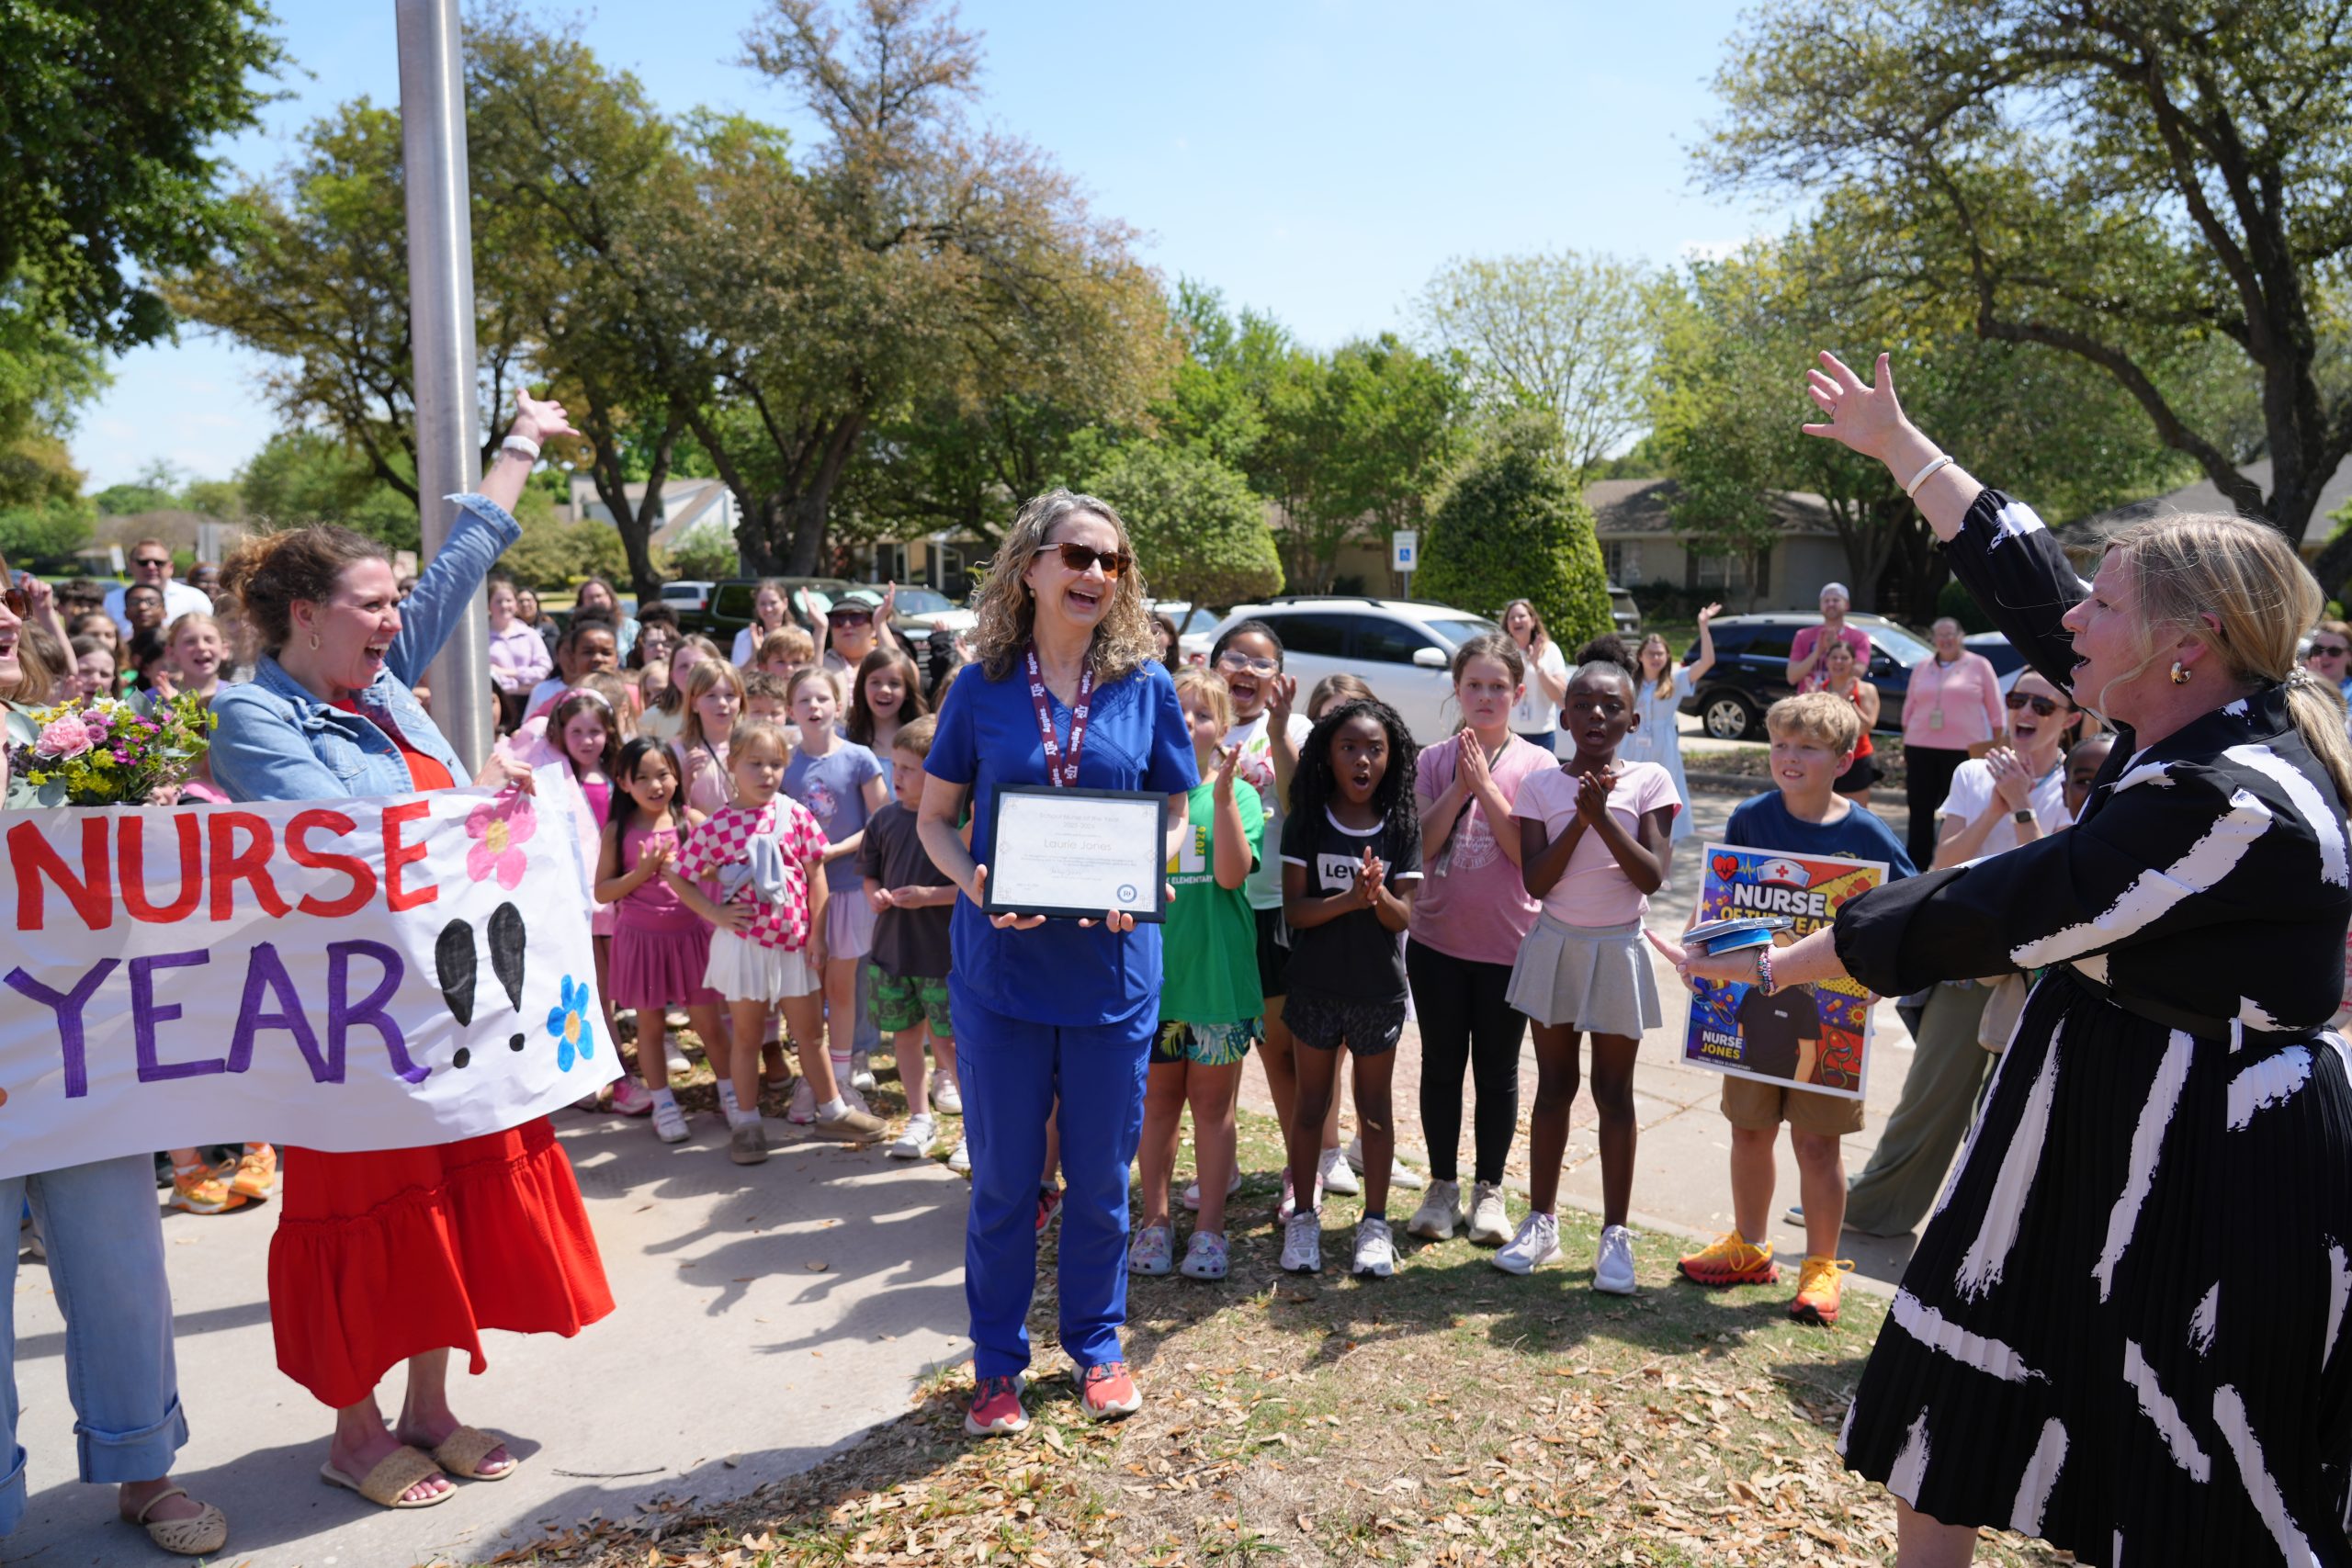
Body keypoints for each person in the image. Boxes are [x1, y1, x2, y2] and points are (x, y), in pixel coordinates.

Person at [1672, 349, 2352, 1565]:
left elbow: (2007, 903)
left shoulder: (2231, 795)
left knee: (2184, 1442)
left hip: (2206, 1144)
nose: (2070, 624)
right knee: (1962, 1360)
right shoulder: (2185, 697)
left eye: (2104, 608)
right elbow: (2027, 569)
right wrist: (1901, 446)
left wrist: (1775, 965)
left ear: (2185, 645)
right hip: (2088, 1096)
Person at [207, 391, 613, 1512]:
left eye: (394, 606)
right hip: (346, 1032)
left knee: (449, 1201)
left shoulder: (383, 682)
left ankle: (430, 1412)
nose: (394, 623)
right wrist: (468, 806)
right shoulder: (257, 720)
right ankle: (354, 1432)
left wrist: (523, 437)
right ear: (302, 613)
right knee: (362, 1213)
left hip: (452, 1005)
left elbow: (465, 554)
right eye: (371, 606)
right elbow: (335, 846)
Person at [915, 489, 1196, 1437]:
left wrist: (1141, 875)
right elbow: (933, 821)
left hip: (1113, 978)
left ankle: (1097, 1348)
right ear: (1031, 566)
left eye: (1111, 563)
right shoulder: (980, 687)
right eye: (1077, 556)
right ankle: (996, 1366)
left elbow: (1173, 812)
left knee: (1100, 1178)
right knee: (1002, 1181)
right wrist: (981, 887)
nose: (1094, 576)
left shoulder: (1147, 685)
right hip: (1003, 978)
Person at [0, 557, 230, 1557]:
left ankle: (145, 1469)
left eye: (6, 603)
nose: (5, 621)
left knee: (120, 1271)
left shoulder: (49, 743)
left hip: (74, 1057)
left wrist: (157, 832)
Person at [1669, 691, 1914, 1330]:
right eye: (1780, 744)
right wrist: (1697, 952)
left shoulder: (1866, 832)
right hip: (1751, 1009)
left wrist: (1883, 976)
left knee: (1816, 1142)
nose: (1789, 757)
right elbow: (1720, 899)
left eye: (1807, 746)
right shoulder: (1751, 816)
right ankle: (1750, 1246)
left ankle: (1822, 1265)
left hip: (1831, 1017)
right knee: (1749, 1128)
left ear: (1841, 758)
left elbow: (1907, 913)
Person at [1836, 670, 2086, 1238]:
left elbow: (2053, 885)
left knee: (2013, 1116)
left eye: (2041, 704)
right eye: (2016, 699)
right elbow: (1941, 864)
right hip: (1962, 959)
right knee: (1929, 1098)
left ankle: (1987, 1234)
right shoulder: (1974, 773)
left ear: (2071, 718)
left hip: (2036, 972)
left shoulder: (2082, 779)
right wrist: (1997, 807)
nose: (2024, 710)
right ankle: (1871, 1209)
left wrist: (2023, 806)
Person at [1495, 649, 1679, 1287]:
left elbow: (1651, 875)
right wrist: (1581, 819)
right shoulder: (1541, 783)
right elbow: (1539, 880)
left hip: (1618, 947)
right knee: (1553, 1087)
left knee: (1614, 1092)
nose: (1596, 713)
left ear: (1632, 717)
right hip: (1557, 944)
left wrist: (1604, 816)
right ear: (1564, 714)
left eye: (1612, 705)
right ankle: (1541, 1221)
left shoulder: (1651, 779)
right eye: (1583, 703)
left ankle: (1614, 1236)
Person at [662, 716, 884, 1158]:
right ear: (734, 764)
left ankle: (832, 1111)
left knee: (810, 1034)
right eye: (755, 764)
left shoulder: (796, 814)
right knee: (746, 1036)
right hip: (745, 946)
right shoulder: (717, 826)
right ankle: (746, 1123)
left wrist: (818, 936)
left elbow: (815, 875)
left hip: (795, 945)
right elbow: (680, 875)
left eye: (776, 764)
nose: (766, 773)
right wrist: (715, 913)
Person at [1405, 635, 1547, 1249]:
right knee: (1440, 1065)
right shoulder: (1432, 760)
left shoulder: (1539, 767)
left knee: (1497, 1070)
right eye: (1474, 685)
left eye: (1498, 686)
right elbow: (1422, 846)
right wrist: (1460, 784)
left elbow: (1526, 855)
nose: (1486, 696)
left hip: (1508, 945)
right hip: (1435, 941)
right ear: (1457, 690)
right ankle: (1442, 1186)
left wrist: (1486, 784)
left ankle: (1489, 1188)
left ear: (1518, 694)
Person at [1277, 697, 1422, 1280]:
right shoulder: (1307, 821)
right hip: (1315, 988)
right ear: (1327, 756)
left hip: (1375, 991)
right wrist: (1349, 898)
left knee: (1376, 1112)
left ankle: (1375, 1224)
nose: (1363, 759)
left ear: (1391, 757)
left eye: (1375, 749)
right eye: (1349, 748)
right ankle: (1305, 1220)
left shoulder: (1403, 824)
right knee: (1311, 1106)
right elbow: (1295, 912)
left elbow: (1402, 918)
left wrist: (1378, 894)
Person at [1132, 667, 1263, 1282]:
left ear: (1224, 726)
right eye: (1177, 710)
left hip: (1217, 986)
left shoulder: (1238, 795)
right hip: (1151, 987)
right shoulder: (1139, 789)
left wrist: (1225, 788)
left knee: (1212, 1109)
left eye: (1203, 713)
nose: (1189, 722)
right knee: (1155, 1108)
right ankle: (1154, 1222)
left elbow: (1234, 875)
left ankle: (1209, 1229)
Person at [1207, 621, 1316, 1219]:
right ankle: (1217, 1168)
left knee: (1283, 1053)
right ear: (1214, 662)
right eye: (1235, 657)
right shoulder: (1195, 719)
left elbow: (1303, 807)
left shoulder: (1296, 729)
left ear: (1279, 676)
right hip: (1209, 910)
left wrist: (1275, 732)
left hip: (1273, 909)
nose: (1246, 670)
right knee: (1214, 1051)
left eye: (1261, 661)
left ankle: (1302, 1172)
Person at [596, 738, 730, 1145]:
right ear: (623, 783)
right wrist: (646, 871)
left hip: (691, 935)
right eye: (643, 777)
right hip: (641, 940)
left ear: (677, 776)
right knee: (650, 1026)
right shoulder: (618, 830)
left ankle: (731, 1094)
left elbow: (723, 869)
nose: (656, 785)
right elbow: (603, 891)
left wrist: (693, 869)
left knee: (708, 1022)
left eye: (663, 774)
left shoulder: (691, 820)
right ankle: (663, 1103)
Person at [781, 667, 888, 1123]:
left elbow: (881, 822)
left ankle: (840, 1079)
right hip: (798, 897)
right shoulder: (784, 763)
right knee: (808, 989)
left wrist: (828, 851)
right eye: (804, 700)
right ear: (791, 710)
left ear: (839, 705)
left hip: (846, 890)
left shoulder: (860, 757)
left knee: (842, 988)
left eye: (822, 698)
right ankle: (815, 1079)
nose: (814, 707)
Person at [858, 715, 962, 1162]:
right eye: (893, 766)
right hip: (893, 953)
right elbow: (869, 874)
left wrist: (928, 897)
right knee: (903, 1037)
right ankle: (920, 1118)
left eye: (907, 769)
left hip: (941, 958)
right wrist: (876, 896)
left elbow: (973, 890)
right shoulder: (883, 820)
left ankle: (973, 1133)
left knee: (950, 1045)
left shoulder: (958, 824)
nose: (895, 777)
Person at [1898, 616, 2007, 871]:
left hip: (1963, 750)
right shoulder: (1922, 667)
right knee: (1920, 810)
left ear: (1961, 636)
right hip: (1920, 747)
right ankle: (1916, 867)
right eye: (1940, 635)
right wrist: (1906, 740)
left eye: (1951, 634)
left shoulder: (1979, 665)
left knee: (1959, 812)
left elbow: (1996, 710)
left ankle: (1953, 865)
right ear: (1933, 639)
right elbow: (1909, 707)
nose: (1945, 640)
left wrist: (1997, 744)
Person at [1618, 607, 1720, 851]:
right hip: (1632, 743)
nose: (1655, 658)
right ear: (1640, 656)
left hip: (1664, 747)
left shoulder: (1675, 680)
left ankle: (1663, 869)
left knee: (1664, 804)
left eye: (1660, 653)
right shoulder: (1628, 682)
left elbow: (1707, 662)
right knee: (1629, 799)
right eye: (1651, 653)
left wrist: (1703, 626)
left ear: (1666, 657)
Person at [1803, 639, 1883, 804]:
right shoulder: (1820, 690)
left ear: (1853, 662)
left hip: (1856, 758)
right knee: (1823, 813)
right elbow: (1810, 731)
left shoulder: (1865, 690)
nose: (1839, 662)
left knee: (1856, 817)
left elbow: (1865, 728)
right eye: (1834, 657)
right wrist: (1810, 703)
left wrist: (1849, 702)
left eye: (1844, 658)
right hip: (1824, 759)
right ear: (1827, 661)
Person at [670, 657, 746, 819]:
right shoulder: (679, 751)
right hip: (702, 839)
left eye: (730, 695)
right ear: (694, 703)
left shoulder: (752, 747)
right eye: (711, 695)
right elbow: (670, 811)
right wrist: (686, 782)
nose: (722, 703)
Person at [847, 644, 928, 784]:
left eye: (894, 683)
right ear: (862, 687)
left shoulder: (924, 740)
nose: (885, 690)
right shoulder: (846, 737)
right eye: (875, 682)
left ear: (907, 691)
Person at [1501, 598, 1571, 751]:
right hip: (1508, 734)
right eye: (1511, 618)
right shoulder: (1502, 652)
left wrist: (1537, 666)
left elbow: (1562, 698)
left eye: (1521, 616)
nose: (1516, 620)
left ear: (1533, 621)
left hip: (1542, 735)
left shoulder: (1550, 650)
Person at [486, 575, 553, 734]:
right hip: (497, 708)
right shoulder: (480, 637)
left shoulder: (529, 634)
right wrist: (523, 682)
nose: (504, 605)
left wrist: (508, 673)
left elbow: (544, 668)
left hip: (530, 704)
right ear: (488, 605)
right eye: (498, 601)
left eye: (509, 600)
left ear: (515, 603)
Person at [105, 538, 210, 635]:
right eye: (143, 562)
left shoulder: (195, 598)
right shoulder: (110, 601)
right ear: (131, 566)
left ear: (171, 567)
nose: (151, 567)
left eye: (158, 562)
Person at [527, 613, 617, 723]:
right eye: (588, 652)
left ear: (617, 658)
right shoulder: (559, 703)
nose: (597, 658)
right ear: (574, 658)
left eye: (606, 653)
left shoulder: (633, 695)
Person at [1785, 581, 1871, 689]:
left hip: (1840, 701)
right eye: (1826, 601)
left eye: (1836, 600)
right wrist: (1817, 652)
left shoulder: (1860, 638)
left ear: (1847, 605)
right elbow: (1792, 678)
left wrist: (1834, 649)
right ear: (1820, 605)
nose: (1831, 604)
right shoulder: (1802, 636)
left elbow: (1857, 673)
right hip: (1808, 701)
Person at [572, 576, 638, 661]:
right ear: (582, 602)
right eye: (590, 598)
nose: (596, 601)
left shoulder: (630, 626)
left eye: (599, 596)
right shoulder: (575, 629)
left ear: (609, 597)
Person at [731, 578, 793, 666]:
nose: (768, 609)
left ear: (785, 603)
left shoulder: (801, 636)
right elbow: (737, 677)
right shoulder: (744, 637)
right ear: (756, 606)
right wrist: (755, 657)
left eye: (773, 602)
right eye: (762, 603)